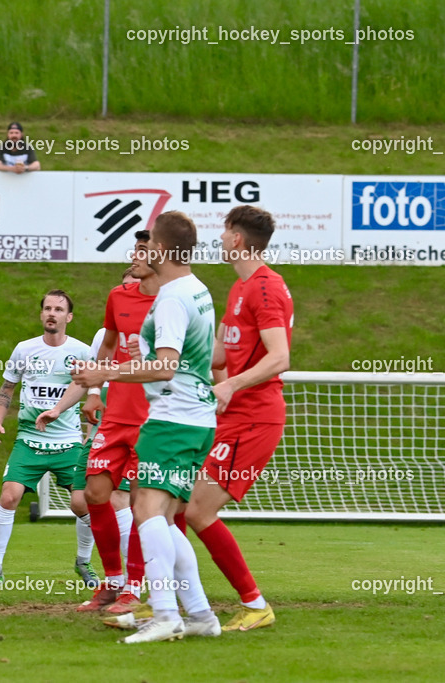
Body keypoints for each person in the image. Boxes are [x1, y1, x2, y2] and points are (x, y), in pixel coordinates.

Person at [72, 211, 221, 643]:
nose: (144, 247)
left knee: (147, 513)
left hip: (172, 419)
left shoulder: (172, 297)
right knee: (167, 519)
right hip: (197, 420)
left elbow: (166, 367)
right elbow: (201, 357)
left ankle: (164, 613)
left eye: (150, 240)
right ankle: (199, 614)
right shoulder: (198, 289)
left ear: (163, 248)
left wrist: (106, 375)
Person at [184, 205, 292, 632]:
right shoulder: (240, 287)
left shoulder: (266, 288)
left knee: (196, 509)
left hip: (254, 418)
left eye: (226, 230)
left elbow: (280, 357)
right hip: (232, 416)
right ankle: (165, 600)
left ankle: (255, 604)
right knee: (175, 502)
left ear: (239, 240)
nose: (220, 237)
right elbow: (222, 354)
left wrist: (229, 385)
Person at [38, 235, 158, 613]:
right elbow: (106, 346)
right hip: (116, 416)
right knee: (93, 494)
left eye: (142, 252)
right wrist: (94, 390)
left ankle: (135, 589)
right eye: (135, 251)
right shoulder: (118, 296)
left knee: (144, 503)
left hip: (153, 419)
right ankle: (113, 580)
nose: (135, 258)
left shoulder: (173, 300)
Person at [0, 290, 96, 590]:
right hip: (30, 439)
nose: (52, 313)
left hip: (69, 442)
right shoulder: (24, 349)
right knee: (9, 496)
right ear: (41, 314)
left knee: (84, 502)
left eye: (59, 309)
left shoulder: (83, 352)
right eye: (47, 308)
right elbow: (7, 388)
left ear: (68, 317)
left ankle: (84, 563)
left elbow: (95, 392)